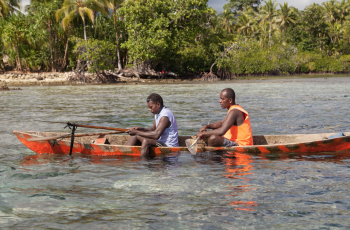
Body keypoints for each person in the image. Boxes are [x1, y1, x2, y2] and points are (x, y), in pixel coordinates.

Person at [126, 93, 179, 157]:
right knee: (135, 135)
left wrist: (137, 132)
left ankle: (143, 163)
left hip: (168, 145)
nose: (149, 109)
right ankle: (125, 153)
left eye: (151, 107)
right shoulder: (158, 113)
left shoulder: (165, 115)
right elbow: (153, 129)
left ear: (158, 105)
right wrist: (141, 129)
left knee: (146, 141)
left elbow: (156, 135)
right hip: (160, 141)